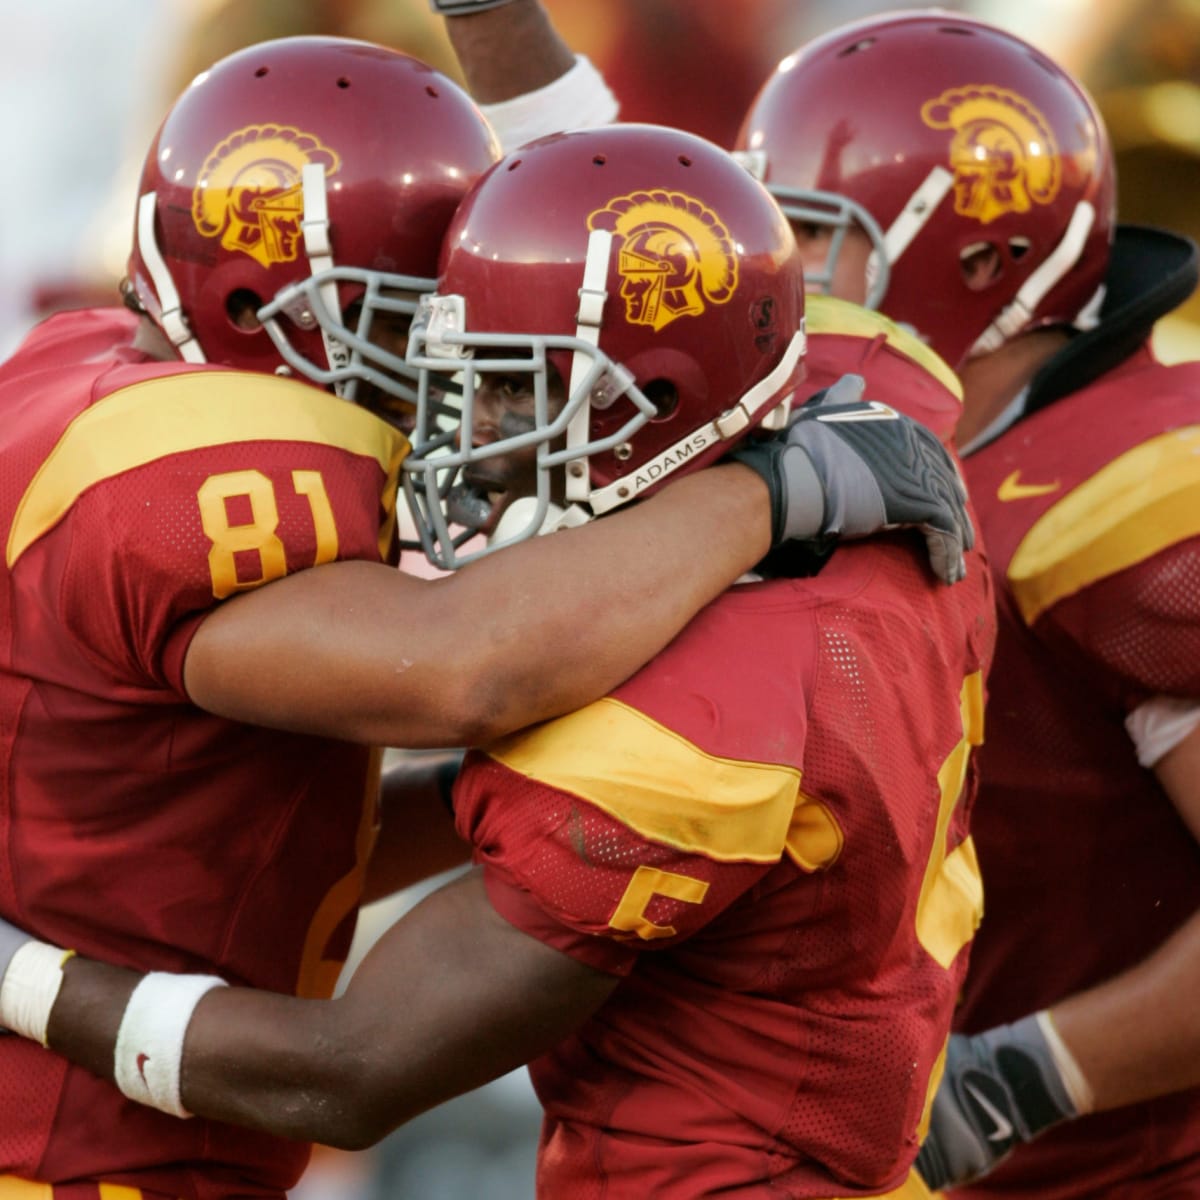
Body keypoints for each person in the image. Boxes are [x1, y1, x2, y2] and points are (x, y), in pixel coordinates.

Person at [0, 32, 976, 1200]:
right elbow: (462, 662)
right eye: (425, 331)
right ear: (266, 297)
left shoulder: (76, 365)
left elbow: (351, 1068)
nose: (455, 404)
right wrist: (768, 490)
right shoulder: (870, 414)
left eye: (504, 368)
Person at [436, 3, 1200, 1195]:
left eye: (807, 230)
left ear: (984, 258)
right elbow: (630, 196)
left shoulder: (1138, 491)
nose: (769, 264)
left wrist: (1029, 1077)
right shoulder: (898, 416)